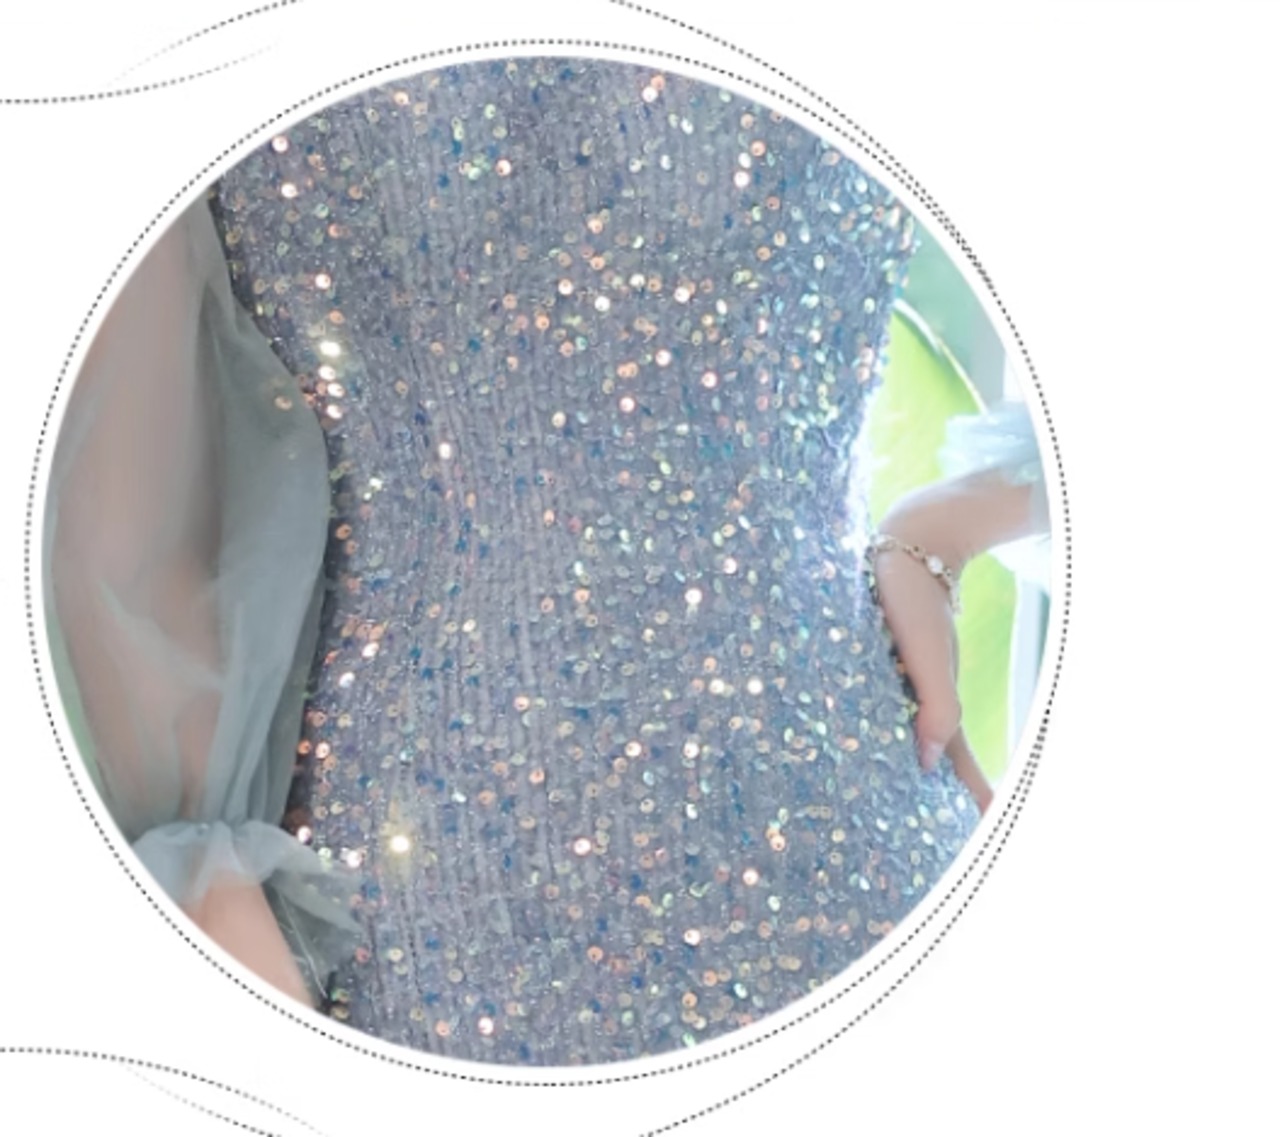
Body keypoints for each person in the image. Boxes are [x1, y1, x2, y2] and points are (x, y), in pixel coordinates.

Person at [44, 56, 1049, 1064]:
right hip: (414, 939)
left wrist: (947, 526)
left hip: (860, 859)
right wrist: (210, 913)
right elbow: (120, 532)